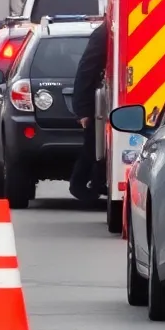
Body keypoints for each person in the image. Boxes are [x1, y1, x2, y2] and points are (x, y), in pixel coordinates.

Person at [70, 22, 108, 202]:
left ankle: (95, 184)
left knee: (95, 146)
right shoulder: (103, 34)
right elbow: (86, 71)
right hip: (100, 106)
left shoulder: (106, 31)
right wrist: (83, 110)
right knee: (93, 147)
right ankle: (80, 186)